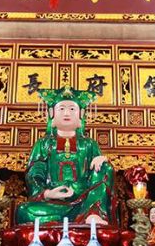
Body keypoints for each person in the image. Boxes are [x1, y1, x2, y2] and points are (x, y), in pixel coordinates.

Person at [15, 87, 114, 225]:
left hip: (85, 200)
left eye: (72, 109)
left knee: (106, 168)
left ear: (81, 113)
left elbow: (100, 178)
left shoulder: (89, 144)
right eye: (61, 109)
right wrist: (47, 193)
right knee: (24, 210)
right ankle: (76, 218)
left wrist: (101, 160)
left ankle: (93, 213)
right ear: (51, 113)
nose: (67, 113)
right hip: (54, 204)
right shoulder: (44, 144)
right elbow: (34, 174)